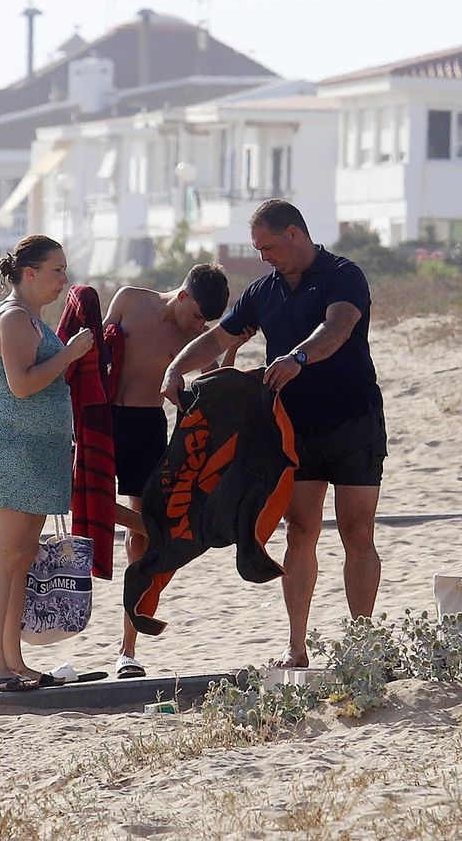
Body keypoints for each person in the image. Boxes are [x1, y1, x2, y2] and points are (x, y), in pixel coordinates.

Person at [161, 200, 386, 668]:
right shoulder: (263, 291)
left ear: (293, 234)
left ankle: (363, 644)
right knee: (300, 531)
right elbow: (219, 339)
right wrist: (177, 367)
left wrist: (297, 357)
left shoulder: (343, 274)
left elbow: (338, 327)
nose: (263, 256)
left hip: (354, 421)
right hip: (295, 429)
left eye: (267, 246)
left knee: (356, 530)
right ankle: (297, 647)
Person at [105, 263, 238, 679]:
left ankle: (127, 650)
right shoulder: (129, 299)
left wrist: (230, 350)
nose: (199, 325)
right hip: (102, 418)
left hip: (147, 426)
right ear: (183, 296)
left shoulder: (196, 338)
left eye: (206, 321)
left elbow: (215, 382)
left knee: (138, 541)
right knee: (82, 504)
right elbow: (93, 357)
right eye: (197, 315)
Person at [0, 235, 93, 692]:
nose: (64, 280)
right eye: (57, 270)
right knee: (4, 559)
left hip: (39, 452)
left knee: (22, 558)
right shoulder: (14, 317)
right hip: (13, 449)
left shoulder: (32, 318)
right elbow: (21, 385)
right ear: (30, 273)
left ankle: (14, 661)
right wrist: (70, 355)